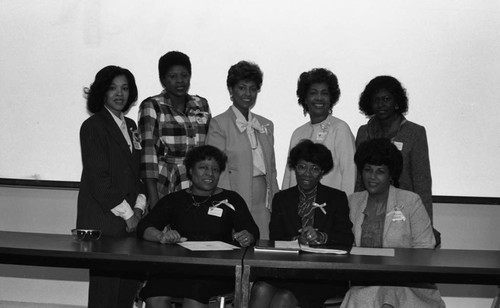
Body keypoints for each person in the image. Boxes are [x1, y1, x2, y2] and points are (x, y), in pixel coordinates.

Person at [137, 145, 259, 308]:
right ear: (190, 171)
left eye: (215, 169)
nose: (210, 173)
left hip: (217, 271)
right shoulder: (174, 200)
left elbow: (252, 231)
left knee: (194, 296)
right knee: (155, 294)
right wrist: (161, 236)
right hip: (177, 268)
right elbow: (144, 227)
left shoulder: (231, 199)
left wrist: (247, 236)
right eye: (203, 168)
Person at [341, 138, 445, 308]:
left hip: (408, 285)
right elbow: (345, 248)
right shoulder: (352, 202)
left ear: (391, 175)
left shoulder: (410, 201)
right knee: (369, 295)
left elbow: (425, 249)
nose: (372, 177)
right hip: (366, 284)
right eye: (368, 170)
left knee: (385, 293)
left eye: (380, 171)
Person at [250, 140, 354, 308]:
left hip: (323, 275)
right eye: (302, 167)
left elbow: (346, 238)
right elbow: (276, 238)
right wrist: (297, 239)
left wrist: (320, 236)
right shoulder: (282, 199)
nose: (307, 174)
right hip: (287, 269)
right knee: (261, 288)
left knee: (283, 298)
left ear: (322, 173)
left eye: (314, 169)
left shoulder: (336, 198)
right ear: (294, 168)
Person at [77, 65, 145, 308]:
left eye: (125, 88)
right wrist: (128, 215)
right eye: (113, 88)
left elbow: (139, 175)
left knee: (125, 295)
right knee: (105, 297)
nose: (120, 94)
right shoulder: (93, 126)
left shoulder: (132, 126)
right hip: (104, 223)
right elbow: (98, 179)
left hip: (130, 225)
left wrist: (138, 210)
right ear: (101, 92)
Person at [206, 60, 279, 240]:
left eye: (253, 88)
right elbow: (216, 170)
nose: (248, 93)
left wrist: (277, 204)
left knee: (264, 248)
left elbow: (272, 169)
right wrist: (226, 205)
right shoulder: (219, 124)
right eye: (242, 88)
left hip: (264, 202)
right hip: (234, 198)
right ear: (231, 90)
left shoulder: (266, 124)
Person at [355, 75, 433, 222]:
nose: (381, 104)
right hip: (369, 208)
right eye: (376, 100)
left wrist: (427, 223)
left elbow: (422, 182)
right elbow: (359, 179)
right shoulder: (363, 132)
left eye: (386, 99)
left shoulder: (415, 132)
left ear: (396, 101)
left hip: (404, 210)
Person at [138, 51, 211, 208]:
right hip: (167, 183)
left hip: (199, 182)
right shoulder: (152, 105)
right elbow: (148, 156)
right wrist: (154, 200)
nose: (180, 81)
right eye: (173, 76)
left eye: (184, 75)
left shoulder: (201, 104)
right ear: (163, 80)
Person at [282, 68, 356, 195]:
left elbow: (350, 174)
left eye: (324, 93)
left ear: (331, 98)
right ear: (305, 98)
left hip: (330, 209)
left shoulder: (340, 129)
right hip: (297, 208)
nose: (319, 98)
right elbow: (289, 176)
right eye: (313, 93)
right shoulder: (298, 133)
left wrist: (345, 208)